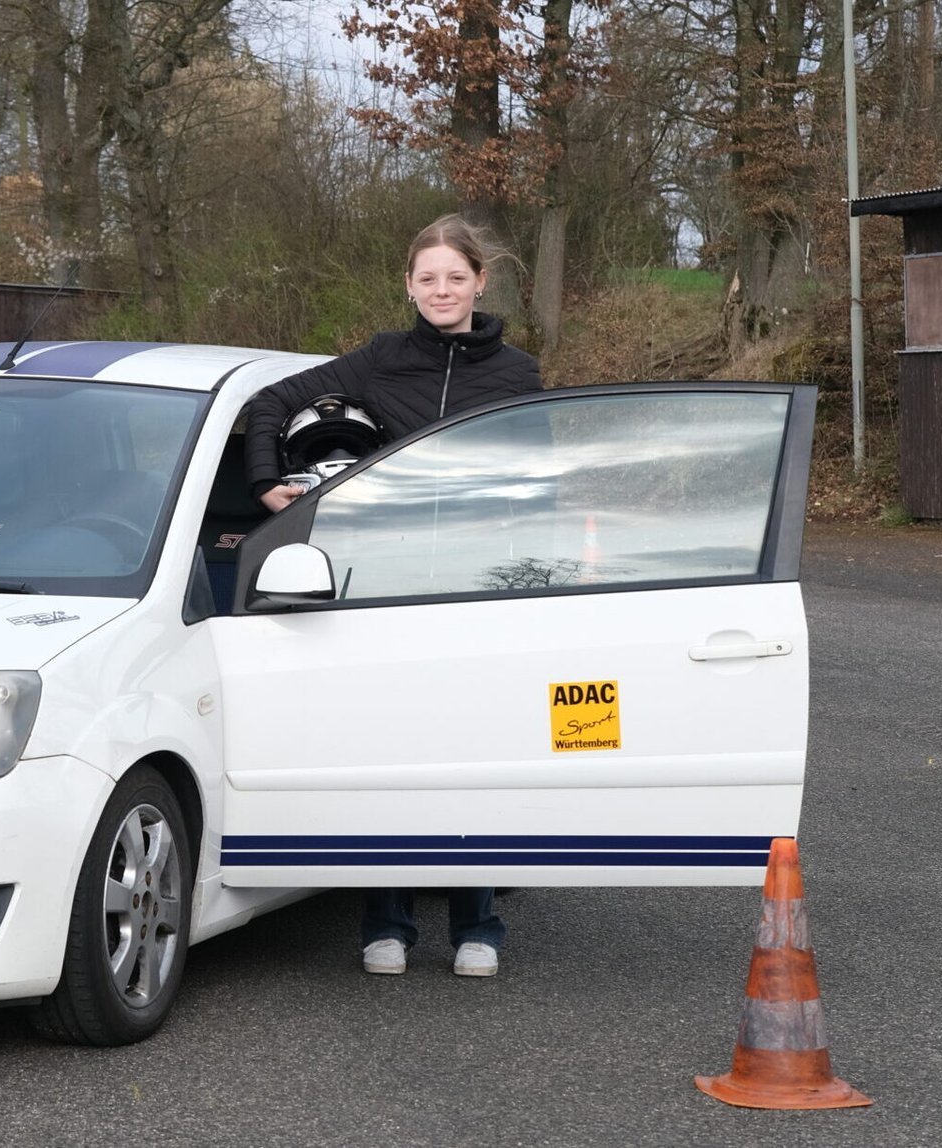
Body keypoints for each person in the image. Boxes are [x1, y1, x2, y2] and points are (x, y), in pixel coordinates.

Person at [243, 212, 542, 977]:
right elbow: (269, 404)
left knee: (476, 754)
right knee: (384, 747)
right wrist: (271, 487)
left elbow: (541, 486)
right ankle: (388, 922)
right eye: (427, 278)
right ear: (408, 285)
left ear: (481, 280)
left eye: (455, 277)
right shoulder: (379, 361)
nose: (441, 290)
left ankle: (479, 926)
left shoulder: (518, 375)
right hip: (381, 585)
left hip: (478, 590)